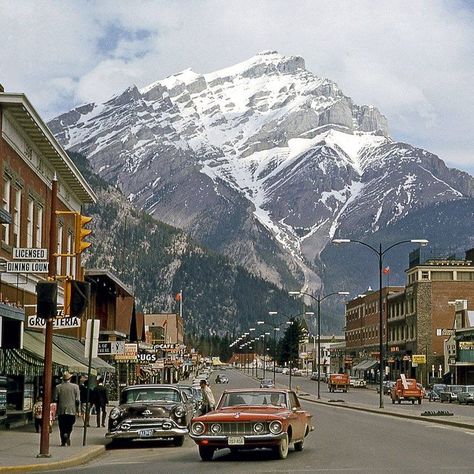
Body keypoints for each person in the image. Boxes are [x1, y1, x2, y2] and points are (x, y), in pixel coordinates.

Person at [53, 371, 80, 446]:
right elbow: (77, 400)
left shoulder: (58, 387)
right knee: (70, 424)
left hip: (61, 409)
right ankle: (67, 433)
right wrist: (78, 410)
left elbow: (55, 398)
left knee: (62, 426)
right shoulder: (75, 387)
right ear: (70, 378)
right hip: (71, 409)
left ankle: (63, 441)